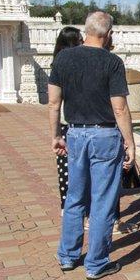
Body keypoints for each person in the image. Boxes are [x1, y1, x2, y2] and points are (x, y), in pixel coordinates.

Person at [48, 11, 135, 280]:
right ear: (108, 34)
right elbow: (119, 109)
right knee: (102, 201)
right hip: (105, 135)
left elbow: (53, 102)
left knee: (75, 197)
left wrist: (55, 135)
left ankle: (68, 255)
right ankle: (96, 263)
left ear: (86, 31)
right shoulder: (112, 62)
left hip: (75, 132)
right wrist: (130, 142)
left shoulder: (63, 57)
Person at [52, 26, 83, 212]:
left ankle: (68, 207)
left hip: (69, 122)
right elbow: (54, 103)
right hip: (71, 121)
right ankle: (70, 207)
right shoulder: (65, 65)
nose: (82, 43)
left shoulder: (59, 63)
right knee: (71, 168)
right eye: (79, 40)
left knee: (68, 167)